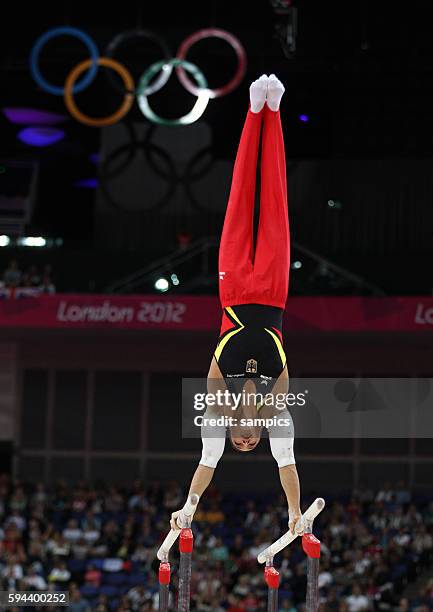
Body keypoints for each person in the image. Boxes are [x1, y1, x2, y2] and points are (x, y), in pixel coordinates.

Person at [171, 74, 304, 535]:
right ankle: (275, 110)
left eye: (240, 442)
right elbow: (287, 469)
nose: (246, 440)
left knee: (241, 195)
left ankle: (253, 111)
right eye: (253, 442)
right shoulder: (279, 413)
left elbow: (206, 466)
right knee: (275, 200)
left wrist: (189, 505)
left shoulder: (214, 412)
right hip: (271, 293)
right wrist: (293, 514)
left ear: (230, 436)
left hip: (233, 292)